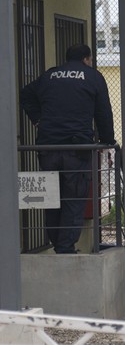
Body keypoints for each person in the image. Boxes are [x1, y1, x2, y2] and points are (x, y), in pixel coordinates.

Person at [19, 44, 115, 254]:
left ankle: (56, 242)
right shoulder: (93, 76)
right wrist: (108, 140)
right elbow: (103, 112)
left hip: (48, 148)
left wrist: (38, 120)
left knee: (51, 196)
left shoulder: (49, 76)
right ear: (86, 59)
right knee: (75, 196)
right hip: (77, 148)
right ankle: (65, 247)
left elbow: (25, 93)